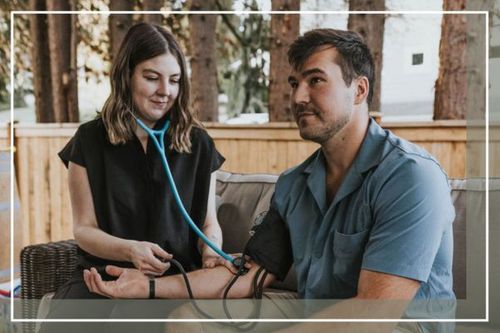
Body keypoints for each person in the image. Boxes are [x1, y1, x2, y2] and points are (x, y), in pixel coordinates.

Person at [84, 29, 456, 333]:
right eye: (294, 83)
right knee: (188, 324)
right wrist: (147, 287)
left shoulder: (411, 177)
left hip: (393, 324)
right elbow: (248, 275)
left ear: (358, 90)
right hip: (314, 313)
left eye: (315, 81)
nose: (297, 97)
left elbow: (373, 316)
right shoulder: (295, 184)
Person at [39, 22, 225, 331]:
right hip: (102, 275)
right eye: (152, 78)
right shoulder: (88, 140)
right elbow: (84, 230)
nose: (165, 91)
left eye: (174, 80)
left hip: (170, 281)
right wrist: (129, 249)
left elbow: (209, 225)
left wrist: (211, 253)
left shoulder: (199, 143)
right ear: (126, 77)